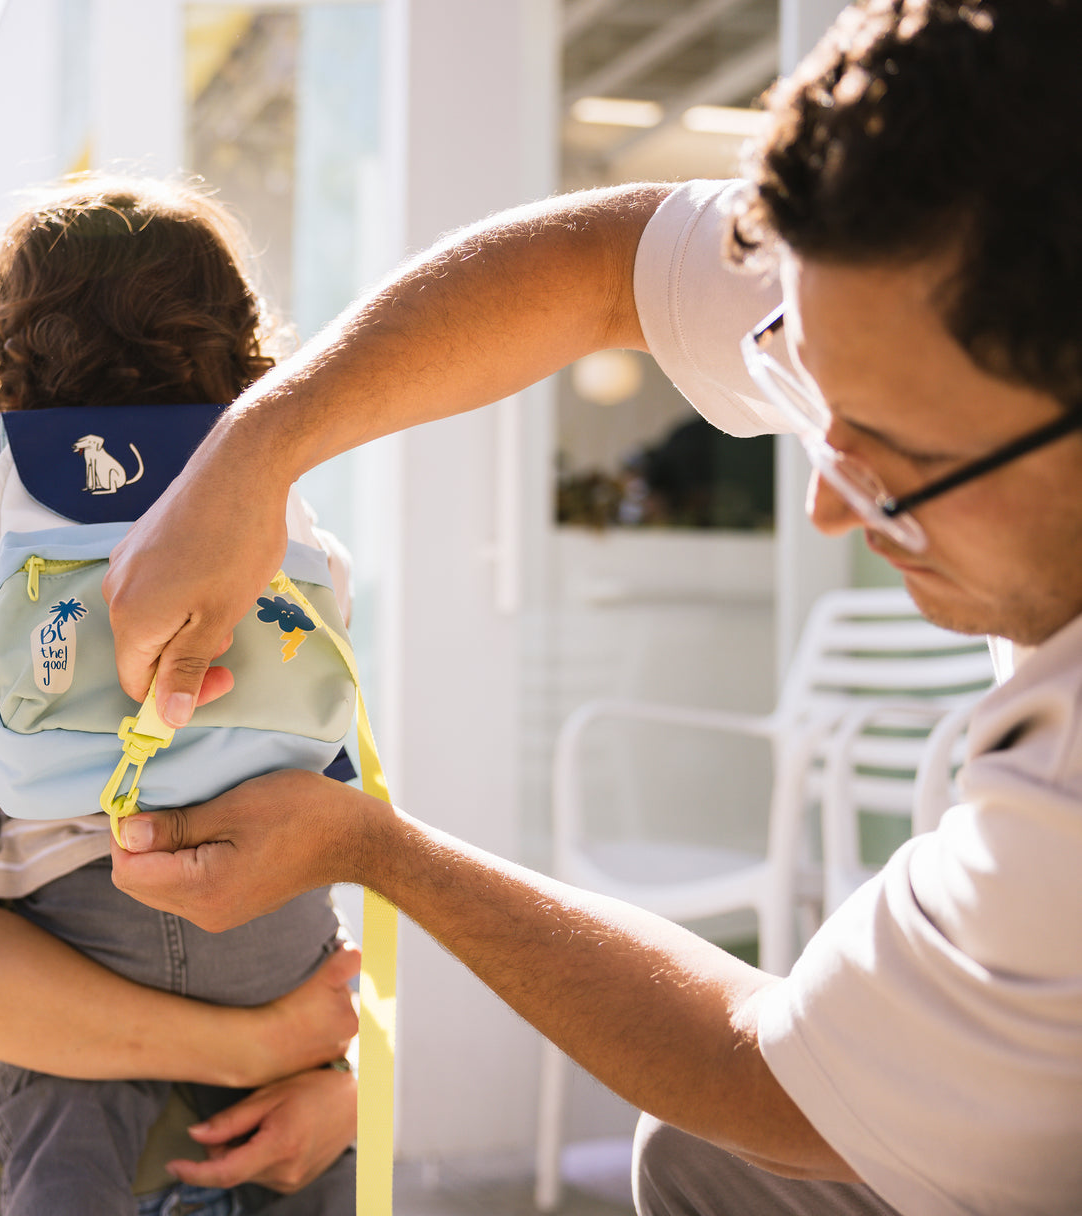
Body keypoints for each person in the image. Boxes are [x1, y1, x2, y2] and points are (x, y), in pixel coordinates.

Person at [98, 2, 1082, 1214]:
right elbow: (604, 267)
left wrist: (372, 844)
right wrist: (252, 456)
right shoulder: (930, 243)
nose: (827, 513)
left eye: (887, 458)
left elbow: (770, 1074)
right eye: (806, 390)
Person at [0, 178, 359, 1216]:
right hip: (270, 919)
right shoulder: (274, 515)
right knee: (318, 1156)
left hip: (84, 908)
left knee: (63, 1144)